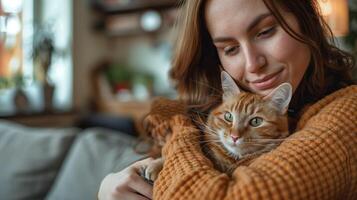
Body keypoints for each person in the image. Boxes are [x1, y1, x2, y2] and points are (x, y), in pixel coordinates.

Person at [98, 0, 357, 199]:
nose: (253, 64)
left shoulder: (348, 111)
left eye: (265, 31)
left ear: (305, 18)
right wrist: (107, 188)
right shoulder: (219, 109)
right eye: (230, 49)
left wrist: (181, 130)